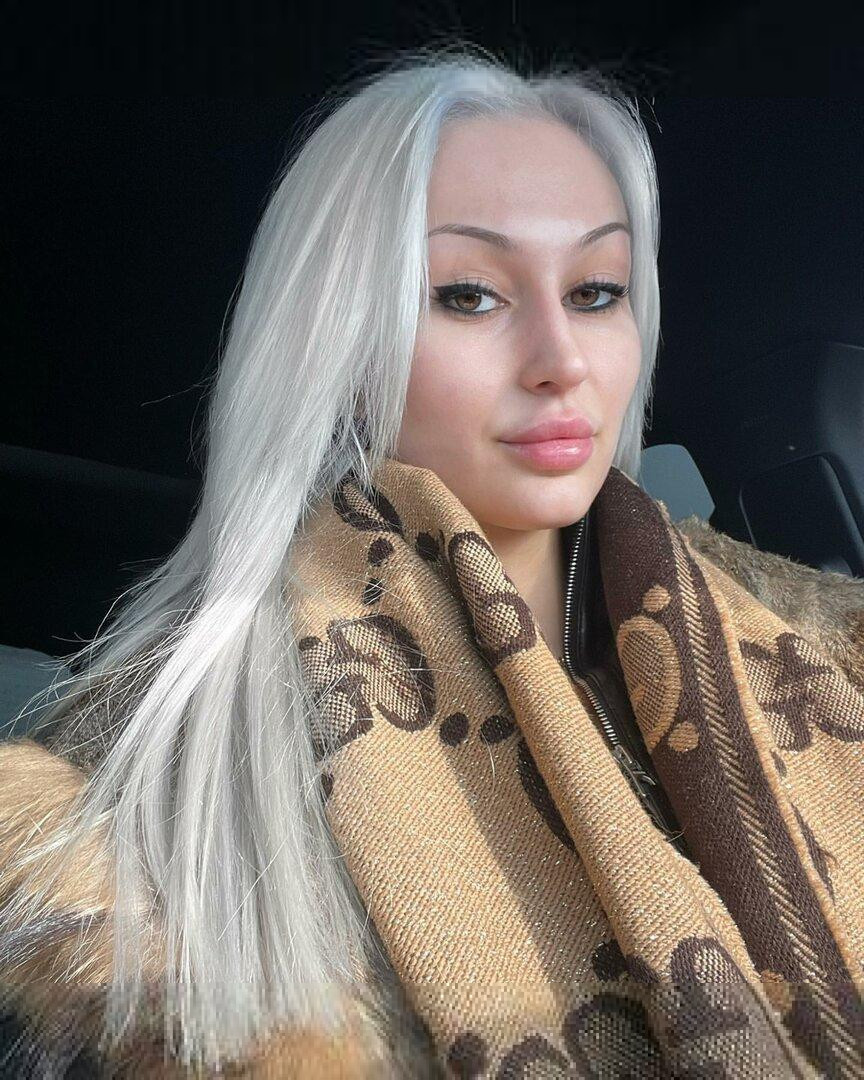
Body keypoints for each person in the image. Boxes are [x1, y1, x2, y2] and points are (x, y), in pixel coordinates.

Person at [2, 43, 863, 1079]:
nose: (562, 361)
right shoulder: (139, 798)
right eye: (469, 295)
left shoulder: (824, 647)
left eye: (597, 290)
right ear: (339, 338)